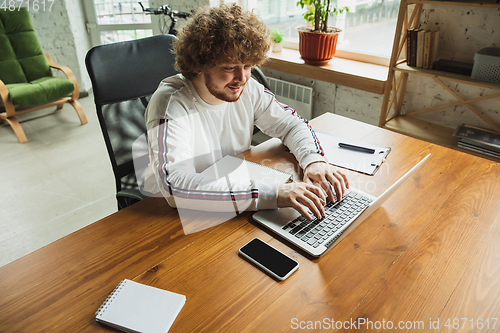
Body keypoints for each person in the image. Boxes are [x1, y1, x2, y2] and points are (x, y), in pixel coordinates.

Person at [143, 3, 349, 221]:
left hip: (236, 191)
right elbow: (176, 186)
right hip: (184, 216)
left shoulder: (247, 89)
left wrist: (313, 159)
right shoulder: (170, 104)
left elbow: (291, 124)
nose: (242, 78)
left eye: (248, 66)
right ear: (198, 64)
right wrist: (273, 193)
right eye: (230, 67)